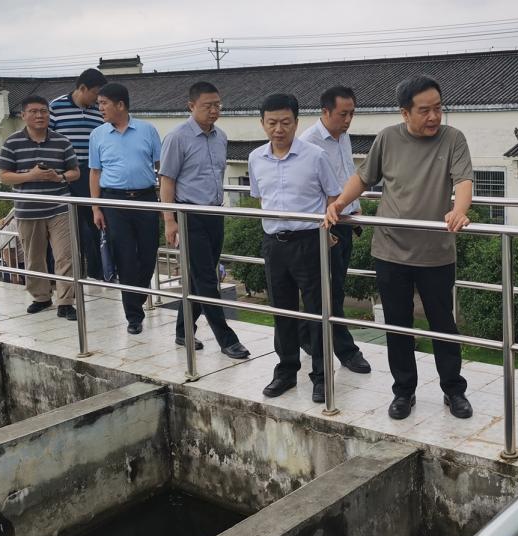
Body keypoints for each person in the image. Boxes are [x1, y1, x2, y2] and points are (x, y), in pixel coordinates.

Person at [325, 75, 474, 420]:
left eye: (438, 108)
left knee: (443, 325)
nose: (434, 117)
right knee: (398, 325)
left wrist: (460, 209)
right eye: (424, 111)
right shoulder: (388, 138)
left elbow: (464, 180)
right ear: (405, 113)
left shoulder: (453, 138)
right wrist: (340, 203)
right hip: (391, 250)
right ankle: (403, 392)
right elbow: (363, 178)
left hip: (436, 252)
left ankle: (454, 390)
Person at [250, 93, 341, 403]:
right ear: (262, 123)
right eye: (272, 123)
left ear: (296, 123)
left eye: (285, 122)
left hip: (308, 242)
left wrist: (327, 230)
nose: (279, 129)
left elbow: (333, 196)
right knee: (282, 310)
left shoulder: (315, 156)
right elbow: (259, 197)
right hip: (274, 244)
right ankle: (286, 371)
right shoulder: (255, 158)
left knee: (317, 312)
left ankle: (321, 376)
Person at [159, 81, 250, 360]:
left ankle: (183, 330)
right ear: (191, 106)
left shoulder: (221, 136)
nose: (214, 110)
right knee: (207, 279)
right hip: (189, 215)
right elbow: (167, 181)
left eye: (217, 105)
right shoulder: (177, 137)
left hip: (215, 213)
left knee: (200, 276)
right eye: (207, 106)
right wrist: (169, 220)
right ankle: (227, 339)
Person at [297, 86, 371, 375]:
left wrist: (355, 207)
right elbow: (307, 191)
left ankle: (306, 337)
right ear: (325, 112)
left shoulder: (343, 137)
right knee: (329, 291)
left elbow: (347, 175)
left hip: (344, 221)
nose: (348, 120)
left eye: (352, 113)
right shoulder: (308, 142)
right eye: (343, 114)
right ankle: (346, 351)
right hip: (324, 225)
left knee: (334, 287)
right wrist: (323, 227)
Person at [0, 95, 81, 320]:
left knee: (65, 256)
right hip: (28, 209)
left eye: (43, 111)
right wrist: (31, 175)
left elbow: (75, 172)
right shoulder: (12, 142)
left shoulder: (62, 141)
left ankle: (66, 302)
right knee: (34, 257)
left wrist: (59, 177)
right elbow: (4, 176)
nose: (39, 115)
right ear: (23, 115)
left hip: (59, 207)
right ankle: (41, 297)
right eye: (33, 111)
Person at [88, 83, 162, 334]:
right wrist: (96, 207)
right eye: (99, 104)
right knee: (125, 257)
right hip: (114, 202)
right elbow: (95, 173)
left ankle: (136, 296)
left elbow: (161, 167)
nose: (100, 108)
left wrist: (165, 203)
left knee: (149, 254)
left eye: (104, 103)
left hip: (145, 198)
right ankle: (133, 315)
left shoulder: (147, 130)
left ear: (120, 105)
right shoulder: (97, 135)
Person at [49, 68, 109, 281]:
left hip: (91, 173)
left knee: (95, 223)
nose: (98, 99)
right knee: (63, 225)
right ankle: (62, 275)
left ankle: (98, 273)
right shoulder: (56, 107)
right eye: (95, 93)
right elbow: (47, 138)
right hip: (64, 174)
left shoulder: (98, 110)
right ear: (82, 88)